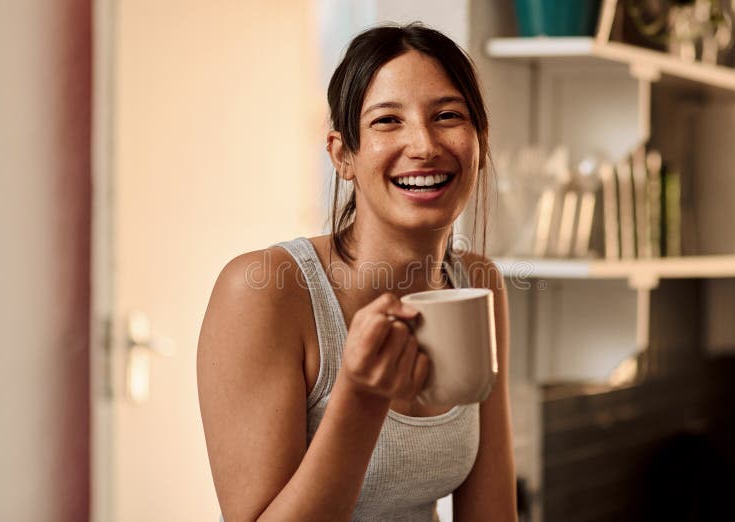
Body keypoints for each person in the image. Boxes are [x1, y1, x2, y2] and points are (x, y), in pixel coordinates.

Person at [197, 22, 517, 522]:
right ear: (343, 155)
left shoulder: (479, 284)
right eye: (387, 121)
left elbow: (492, 514)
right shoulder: (264, 292)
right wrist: (361, 397)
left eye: (448, 116)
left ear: (479, 142)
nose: (425, 145)